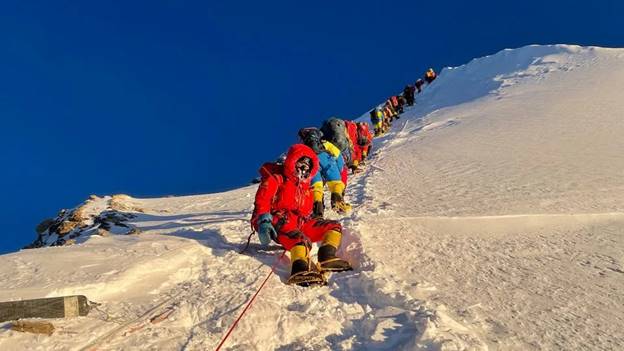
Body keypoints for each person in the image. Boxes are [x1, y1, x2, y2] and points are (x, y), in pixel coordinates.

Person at [252, 144, 352, 286]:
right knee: (300, 239)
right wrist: (263, 220)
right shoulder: (277, 178)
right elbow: (263, 199)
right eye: (301, 163)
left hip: (301, 222)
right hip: (279, 221)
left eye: (308, 165)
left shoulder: (306, 189)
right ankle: (300, 270)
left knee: (333, 226)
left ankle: (327, 256)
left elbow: (307, 211)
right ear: (292, 161)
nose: (304, 168)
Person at [298, 128, 351, 217]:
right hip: (328, 161)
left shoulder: (304, 147)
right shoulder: (324, 143)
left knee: (316, 187)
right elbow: (338, 155)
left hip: (312, 163)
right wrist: (340, 168)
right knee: (336, 183)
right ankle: (337, 201)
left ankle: (318, 211)